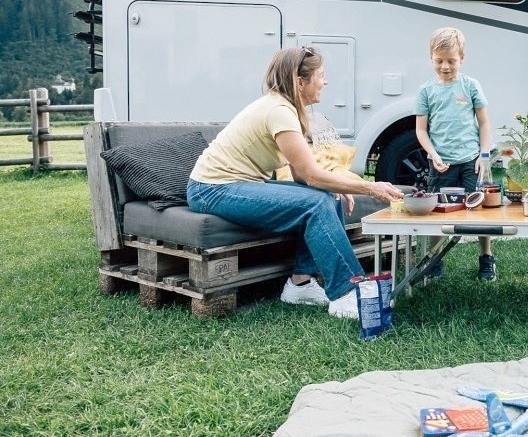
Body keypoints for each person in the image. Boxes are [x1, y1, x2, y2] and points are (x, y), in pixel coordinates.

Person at [187, 47, 403, 318]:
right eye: (321, 76)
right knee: (316, 205)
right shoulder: (279, 111)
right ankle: (346, 293)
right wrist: (370, 187)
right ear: (300, 82)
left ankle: (300, 284)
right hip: (211, 189)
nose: (325, 82)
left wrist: (337, 186)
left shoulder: (288, 109)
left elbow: (301, 175)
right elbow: (311, 176)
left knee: (327, 197)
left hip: (238, 184)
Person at [415, 27, 496, 281]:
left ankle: (486, 257)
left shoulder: (470, 86)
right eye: (439, 61)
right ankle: (435, 259)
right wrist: (433, 154)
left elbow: (484, 123)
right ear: (431, 58)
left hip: (471, 161)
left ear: (462, 57)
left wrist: (483, 155)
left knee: (479, 210)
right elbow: (421, 130)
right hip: (441, 164)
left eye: (451, 61)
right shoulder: (426, 91)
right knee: (437, 210)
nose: (445, 66)